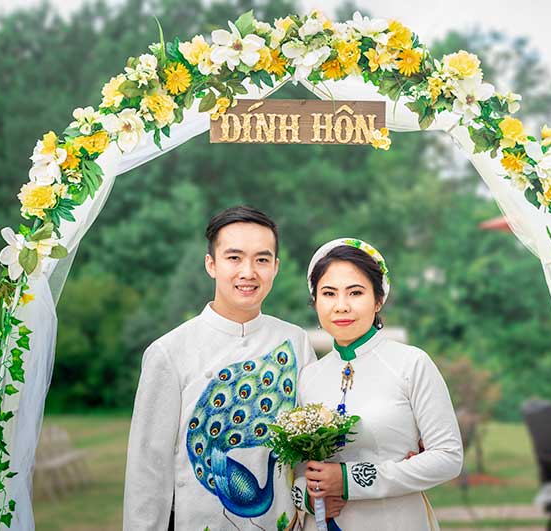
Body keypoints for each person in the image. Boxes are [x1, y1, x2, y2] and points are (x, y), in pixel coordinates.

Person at [124, 206, 323, 530]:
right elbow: (148, 468)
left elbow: (312, 440)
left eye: (261, 259)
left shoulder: (294, 341)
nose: (248, 272)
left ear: (275, 267)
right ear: (211, 265)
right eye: (234, 258)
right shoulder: (169, 351)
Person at [293, 238, 463, 530]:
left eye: (355, 292)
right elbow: (295, 469)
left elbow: (447, 457)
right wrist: (306, 497)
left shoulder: (411, 364)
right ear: (315, 301)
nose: (341, 306)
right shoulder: (309, 376)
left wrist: (349, 481)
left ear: (378, 299)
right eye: (329, 293)